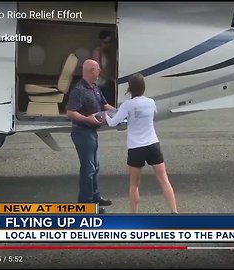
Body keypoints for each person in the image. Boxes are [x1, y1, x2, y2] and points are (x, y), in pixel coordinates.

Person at [103, 73, 178, 214]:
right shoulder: (151, 102)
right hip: (153, 144)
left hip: (136, 147)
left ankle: (134, 214)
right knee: (163, 179)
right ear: (143, 87)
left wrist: (105, 115)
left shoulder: (128, 105)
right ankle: (174, 211)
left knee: (134, 184)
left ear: (130, 89)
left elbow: (113, 122)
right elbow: (151, 115)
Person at [66, 59, 116, 214]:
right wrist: (87, 119)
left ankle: (96, 197)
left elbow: (104, 105)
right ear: (90, 71)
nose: (99, 71)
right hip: (82, 132)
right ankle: (86, 206)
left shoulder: (94, 88)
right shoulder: (79, 90)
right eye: (97, 69)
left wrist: (121, 112)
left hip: (91, 132)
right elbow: (71, 112)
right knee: (88, 169)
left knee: (96, 166)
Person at [92, 30, 116, 107]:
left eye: (109, 42)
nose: (107, 45)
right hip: (98, 83)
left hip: (104, 83)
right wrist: (111, 79)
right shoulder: (97, 52)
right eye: (105, 42)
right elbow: (98, 70)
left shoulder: (105, 53)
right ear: (101, 41)